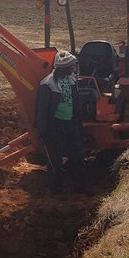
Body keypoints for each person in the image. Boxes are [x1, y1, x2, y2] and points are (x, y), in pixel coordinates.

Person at [36, 50, 86, 192]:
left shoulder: (72, 80)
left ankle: (80, 187)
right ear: (63, 68)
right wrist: (42, 131)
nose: (74, 68)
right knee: (55, 159)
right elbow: (42, 110)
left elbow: (75, 104)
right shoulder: (48, 84)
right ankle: (55, 189)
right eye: (71, 66)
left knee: (78, 156)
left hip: (70, 124)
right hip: (55, 126)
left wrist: (78, 125)